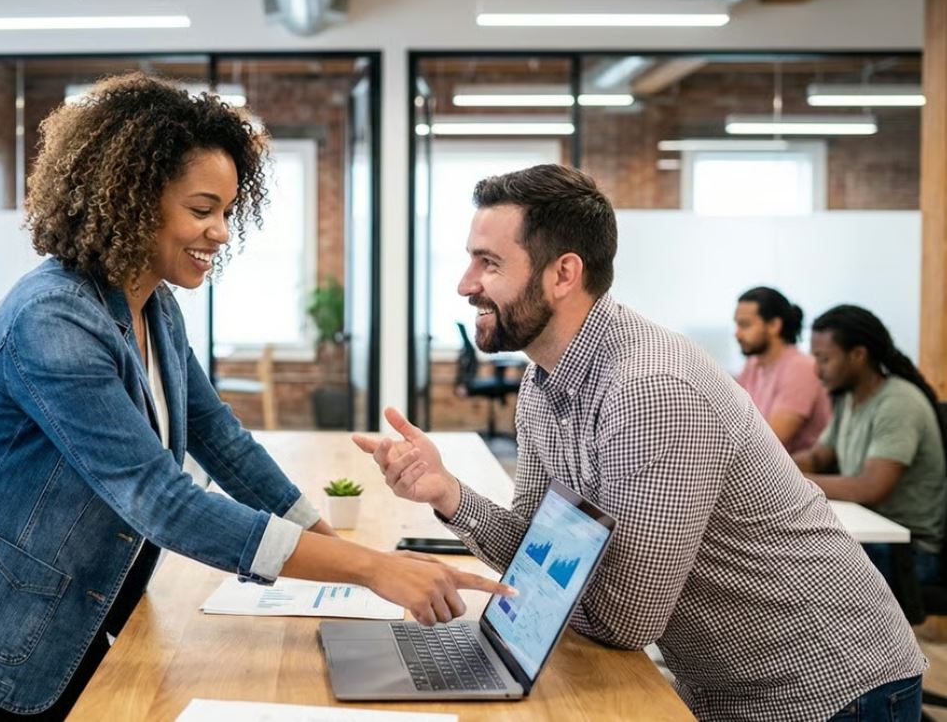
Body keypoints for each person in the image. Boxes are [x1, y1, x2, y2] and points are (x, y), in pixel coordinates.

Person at [0, 73, 510, 721]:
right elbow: (162, 502)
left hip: (56, 620)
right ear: (131, 200)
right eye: (202, 210)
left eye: (227, 211)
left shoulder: (154, 306)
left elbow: (220, 439)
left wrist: (338, 554)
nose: (221, 232)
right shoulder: (53, 320)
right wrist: (368, 569)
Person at [352, 164, 924, 721]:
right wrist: (448, 494)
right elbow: (536, 553)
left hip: (830, 688)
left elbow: (627, 620)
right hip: (728, 687)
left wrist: (546, 591)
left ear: (563, 274)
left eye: (490, 262)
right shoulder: (542, 383)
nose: (465, 284)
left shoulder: (649, 389)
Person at [794, 305, 946, 587]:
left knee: (795, 570)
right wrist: (774, 468)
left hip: (908, 551)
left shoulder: (898, 403)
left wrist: (794, 481)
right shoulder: (847, 398)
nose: (817, 370)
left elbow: (870, 488)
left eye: (824, 359)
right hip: (873, 535)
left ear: (858, 355)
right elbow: (816, 458)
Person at [733, 286, 831, 452]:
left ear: (774, 325)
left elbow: (769, 443)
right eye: (737, 324)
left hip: (793, 466)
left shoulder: (800, 368)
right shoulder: (753, 364)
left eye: (745, 325)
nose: (737, 334)